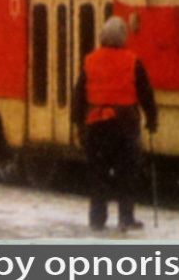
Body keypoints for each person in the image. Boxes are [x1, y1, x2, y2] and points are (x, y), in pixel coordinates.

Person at [72, 17, 158, 232]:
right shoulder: (132, 61)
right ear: (123, 38)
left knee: (98, 173)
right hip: (124, 125)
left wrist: (77, 124)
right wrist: (152, 119)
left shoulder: (90, 60)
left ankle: (97, 218)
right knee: (126, 173)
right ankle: (126, 218)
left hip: (96, 124)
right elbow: (146, 93)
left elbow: (79, 95)